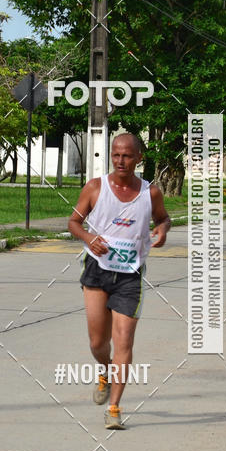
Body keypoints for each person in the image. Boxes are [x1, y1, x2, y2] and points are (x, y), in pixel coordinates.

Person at [68, 133, 171, 429]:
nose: (120, 161)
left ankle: (114, 407)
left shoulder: (150, 194)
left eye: (127, 156)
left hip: (130, 275)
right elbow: (73, 222)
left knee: (124, 339)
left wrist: (162, 230)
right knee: (99, 342)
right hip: (97, 270)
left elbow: (164, 218)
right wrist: (89, 237)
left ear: (139, 158)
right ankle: (105, 369)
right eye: (116, 155)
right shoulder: (95, 188)